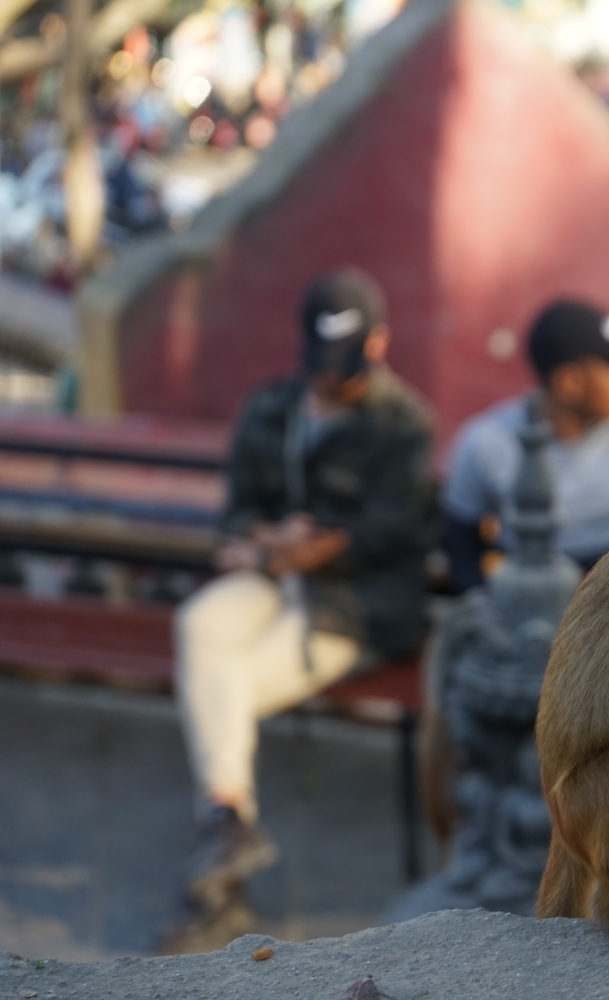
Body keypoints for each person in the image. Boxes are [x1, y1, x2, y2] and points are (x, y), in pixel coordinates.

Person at [158, 267, 434, 949]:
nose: (328, 377)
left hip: (352, 605)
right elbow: (238, 514)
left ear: (379, 344)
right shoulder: (270, 409)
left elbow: (384, 534)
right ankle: (228, 826)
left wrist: (291, 550)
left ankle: (220, 880)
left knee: (223, 691)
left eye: (343, 362)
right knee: (198, 626)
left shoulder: (403, 425)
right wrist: (270, 542)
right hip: (269, 575)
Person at [442, 299, 609, 587]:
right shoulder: (485, 442)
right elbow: (460, 543)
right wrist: (486, 608)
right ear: (569, 382)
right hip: (526, 590)